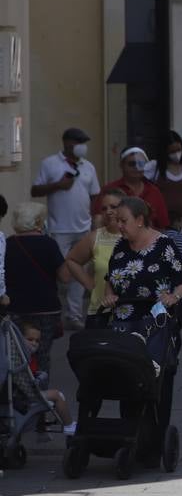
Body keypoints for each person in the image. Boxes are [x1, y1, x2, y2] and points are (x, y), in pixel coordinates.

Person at [101, 196, 182, 366]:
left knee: (154, 374)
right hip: (123, 322)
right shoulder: (120, 245)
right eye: (117, 221)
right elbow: (110, 278)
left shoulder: (164, 245)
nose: (119, 226)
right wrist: (109, 295)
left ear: (140, 220)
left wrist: (174, 297)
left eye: (123, 221)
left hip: (155, 321)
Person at [32, 126, 101, 328]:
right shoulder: (50, 164)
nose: (82, 147)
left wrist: (95, 219)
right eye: (79, 143)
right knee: (56, 273)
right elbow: (35, 190)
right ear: (67, 143)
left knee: (79, 272)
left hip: (83, 228)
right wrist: (57, 185)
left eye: (84, 143)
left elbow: (95, 194)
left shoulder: (88, 167)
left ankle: (74, 315)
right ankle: (52, 314)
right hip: (59, 228)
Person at [6, 203, 65, 374]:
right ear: (39, 221)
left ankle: (18, 390)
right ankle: (40, 391)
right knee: (42, 353)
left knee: (16, 352)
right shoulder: (49, 244)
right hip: (46, 308)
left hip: (15, 307)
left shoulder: (8, 244)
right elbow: (65, 276)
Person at [59, 189, 125, 327]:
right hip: (101, 312)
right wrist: (90, 285)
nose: (108, 211)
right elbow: (72, 260)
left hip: (132, 314)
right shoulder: (95, 237)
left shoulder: (135, 236)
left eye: (113, 207)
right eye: (104, 208)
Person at [18, 321, 75, 434]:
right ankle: (69, 425)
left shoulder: (22, 356)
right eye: (30, 339)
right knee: (57, 395)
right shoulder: (23, 358)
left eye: (37, 341)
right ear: (20, 338)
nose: (34, 343)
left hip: (19, 393)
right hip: (24, 395)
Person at [100, 147, 170, 230]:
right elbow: (98, 220)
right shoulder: (109, 190)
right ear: (121, 165)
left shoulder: (154, 191)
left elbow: (163, 225)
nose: (137, 167)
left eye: (141, 163)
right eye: (132, 164)